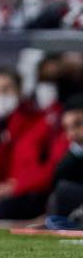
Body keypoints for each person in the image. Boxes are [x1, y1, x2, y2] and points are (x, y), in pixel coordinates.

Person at [0, 68, 68, 220]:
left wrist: (17, 186)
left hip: (28, 195)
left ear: (19, 90)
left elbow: (56, 165)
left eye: (5, 89)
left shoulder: (40, 123)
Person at [47, 95, 83, 230]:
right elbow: (57, 178)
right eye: (67, 128)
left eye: (78, 124)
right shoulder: (72, 156)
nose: (72, 133)